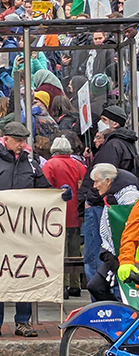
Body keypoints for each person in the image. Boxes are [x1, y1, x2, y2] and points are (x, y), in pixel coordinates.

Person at [0, 122, 70, 338]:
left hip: (25, 232)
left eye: (24, 140)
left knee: (24, 274)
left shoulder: (33, 165)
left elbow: (44, 191)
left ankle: (23, 322)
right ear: (5, 139)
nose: (22, 145)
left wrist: (59, 195)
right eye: (18, 140)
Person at [78, 105, 139, 285]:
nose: (99, 123)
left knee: (95, 258)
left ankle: (103, 307)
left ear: (114, 124)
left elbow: (103, 178)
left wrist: (90, 198)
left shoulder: (112, 145)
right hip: (107, 204)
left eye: (104, 120)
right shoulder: (127, 144)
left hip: (100, 206)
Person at [42, 136, 87, 299]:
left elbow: (45, 188)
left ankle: (64, 285)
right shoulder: (79, 165)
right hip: (76, 214)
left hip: (57, 214)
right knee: (74, 250)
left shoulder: (50, 165)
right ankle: (76, 284)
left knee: (60, 251)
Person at [86, 164, 139, 301]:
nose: (94, 186)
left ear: (108, 181)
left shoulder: (129, 197)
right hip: (116, 253)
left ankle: (124, 318)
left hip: (125, 255)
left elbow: (130, 231)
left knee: (100, 287)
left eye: (97, 181)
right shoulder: (114, 195)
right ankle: (122, 318)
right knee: (96, 286)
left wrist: (124, 260)